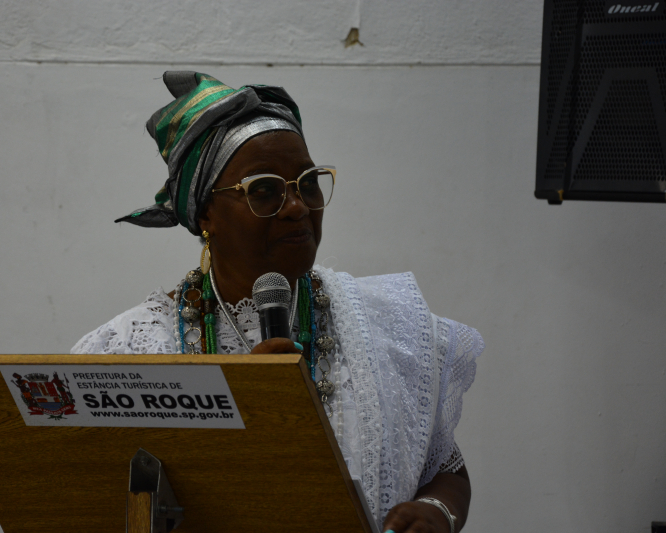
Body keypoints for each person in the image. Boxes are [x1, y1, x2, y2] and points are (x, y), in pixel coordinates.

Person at [72, 71, 483, 533]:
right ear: (205, 212)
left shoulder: (387, 325)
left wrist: (437, 512)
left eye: (308, 183)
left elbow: (447, 470)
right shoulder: (130, 352)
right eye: (264, 190)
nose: (297, 207)